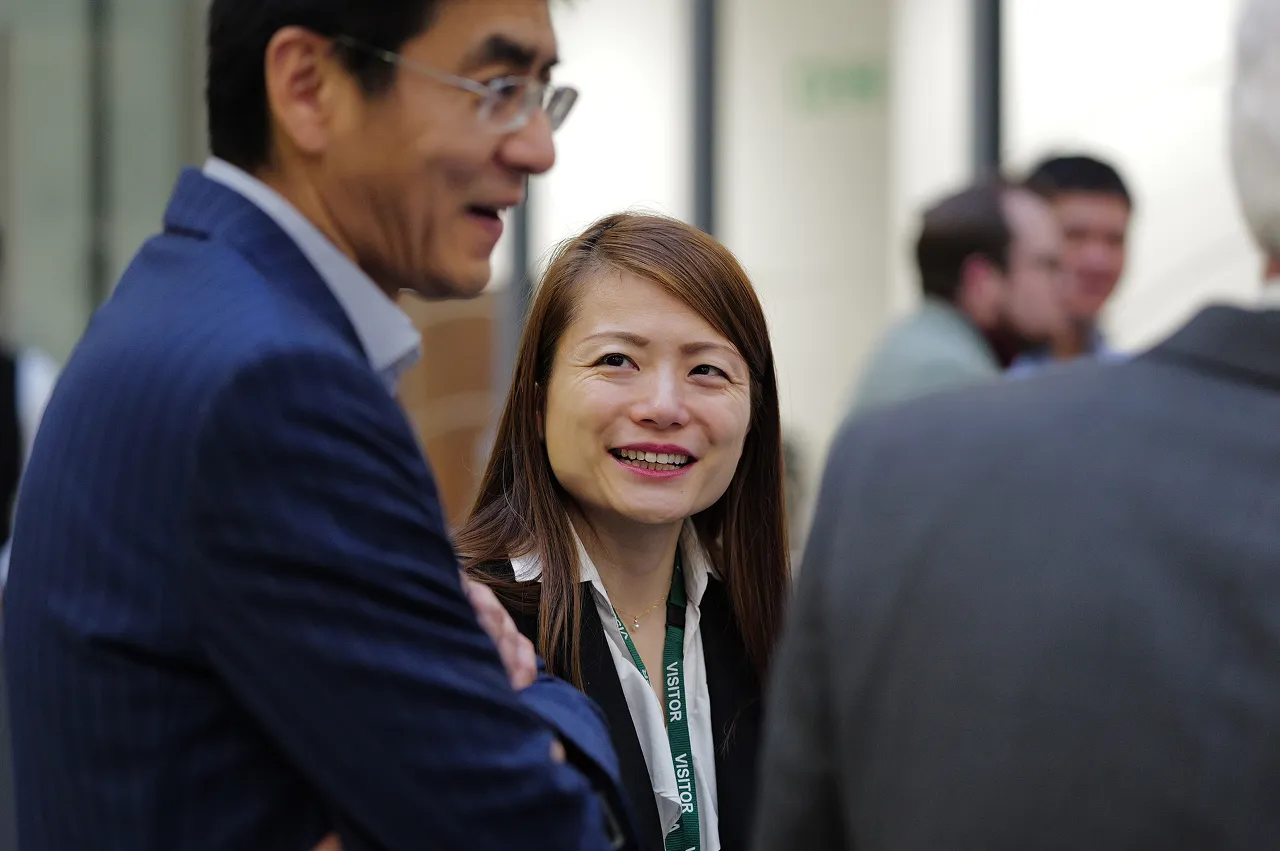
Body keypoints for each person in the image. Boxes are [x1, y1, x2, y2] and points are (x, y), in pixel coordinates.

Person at [2, 2, 634, 850]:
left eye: (541, 93)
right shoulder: (279, 387)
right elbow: (539, 831)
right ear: (307, 86)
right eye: (494, 87)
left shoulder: (182, 302)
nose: (536, 146)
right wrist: (536, 696)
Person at [753, 1, 1280, 847]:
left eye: (1113, 239)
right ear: (982, 278)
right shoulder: (942, 404)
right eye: (1058, 250)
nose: (1084, 267)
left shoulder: (1091, 379)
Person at [460, 213, 790, 851]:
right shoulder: (466, 627)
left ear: (754, 415)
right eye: (617, 361)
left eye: (708, 371)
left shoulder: (778, 632)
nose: (664, 407)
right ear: (536, 400)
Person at [847, 179, 1066, 418]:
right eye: (1047, 266)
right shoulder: (949, 377)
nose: (1062, 285)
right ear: (980, 280)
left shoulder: (925, 344)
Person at [1011, 154, 1133, 374]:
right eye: (1075, 236)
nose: (1098, 261)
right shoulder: (980, 374)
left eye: (1114, 240)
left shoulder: (1129, 376)